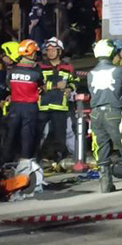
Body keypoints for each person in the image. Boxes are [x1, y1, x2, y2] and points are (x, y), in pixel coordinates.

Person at [88, 39, 122, 193]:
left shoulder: (91, 73)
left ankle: (105, 184)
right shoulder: (119, 71)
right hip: (114, 112)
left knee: (100, 148)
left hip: (96, 114)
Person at [4, 40, 46, 163]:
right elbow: (42, 88)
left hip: (15, 107)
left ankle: (5, 162)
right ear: (32, 53)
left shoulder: (12, 71)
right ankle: (26, 162)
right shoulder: (36, 72)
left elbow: (9, 87)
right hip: (30, 108)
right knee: (28, 136)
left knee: (10, 135)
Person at [37, 37, 76, 165]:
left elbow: (75, 82)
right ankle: (36, 157)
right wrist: (53, 86)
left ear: (60, 51)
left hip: (60, 106)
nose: (50, 52)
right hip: (43, 105)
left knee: (61, 134)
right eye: (48, 50)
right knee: (40, 133)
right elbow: (37, 84)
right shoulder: (41, 67)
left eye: (53, 50)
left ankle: (60, 157)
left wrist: (70, 88)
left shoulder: (68, 67)